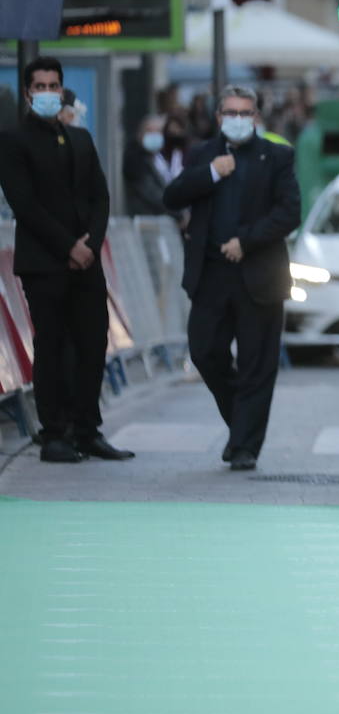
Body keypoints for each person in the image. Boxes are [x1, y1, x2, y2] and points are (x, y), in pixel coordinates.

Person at [0, 56, 134, 463]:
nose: (47, 93)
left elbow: (100, 196)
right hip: (45, 263)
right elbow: (25, 204)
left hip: (86, 263)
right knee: (52, 347)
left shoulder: (80, 139)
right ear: (27, 94)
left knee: (93, 345)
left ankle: (87, 429)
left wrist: (90, 244)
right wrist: (68, 247)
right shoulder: (13, 141)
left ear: (62, 89)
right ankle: (54, 433)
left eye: (52, 85)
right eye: (39, 87)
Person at [163, 85, 301, 472]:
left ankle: (244, 446)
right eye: (229, 112)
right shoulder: (202, 154)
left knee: (258, 364)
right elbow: (171, 196)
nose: (237, 119)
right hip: (210, 275)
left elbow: (290, 212)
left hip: (259, 275)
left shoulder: (277, 156)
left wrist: (247, 241)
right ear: (218, 116)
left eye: (244, 112)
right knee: (205, 351)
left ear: (255, 117)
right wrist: (209, 174)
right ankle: (242, 421)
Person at [124, 114, 177, 216]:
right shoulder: (135, 158)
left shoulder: (157, 157)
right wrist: (177, 213)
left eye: (158, 132)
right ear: (140, 134)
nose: (154, 135)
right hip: (146, 220)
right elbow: (151, 193)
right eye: (149, 131)